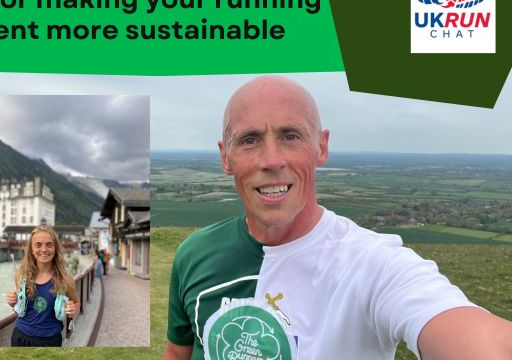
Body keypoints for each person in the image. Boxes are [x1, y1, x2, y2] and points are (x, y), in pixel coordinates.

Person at [164, 76, 512, 360]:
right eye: (249, 140)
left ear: (321, 147)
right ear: (226, 157)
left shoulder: (373, 265)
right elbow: (179, 353)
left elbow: (475, 337)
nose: (271, 160)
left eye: (290, 136)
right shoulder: (195, 254)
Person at [6, 225, 80, 346]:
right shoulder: (21, 274)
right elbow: (19, 305)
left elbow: (76, 302)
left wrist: (71, 311)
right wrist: (11, 302)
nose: (44, 250)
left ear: (56, 248)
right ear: (31, 249)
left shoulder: (65, 279)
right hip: (20, 337)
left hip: (50, 341)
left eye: (49, 244)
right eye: (38, 245)